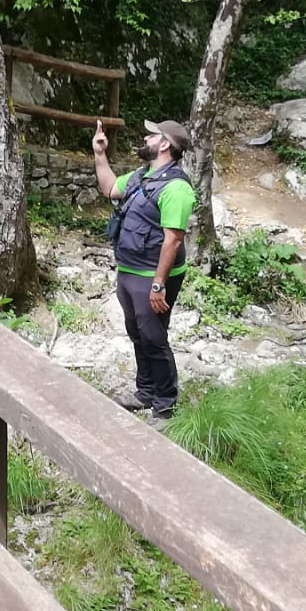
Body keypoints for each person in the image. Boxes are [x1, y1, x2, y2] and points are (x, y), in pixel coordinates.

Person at [92, 117, 197, 420]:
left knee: (153, 337)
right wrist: (100, 154)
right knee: (137, 334)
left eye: (151, 135)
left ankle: (165, 405)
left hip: (153, 277)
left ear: (164, 144)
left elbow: (173, 240)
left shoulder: (176, 188)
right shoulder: (142, 176)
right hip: (129, 271)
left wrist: (158, 284)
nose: (145, 139)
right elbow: (111, 188)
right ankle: (145, 392)